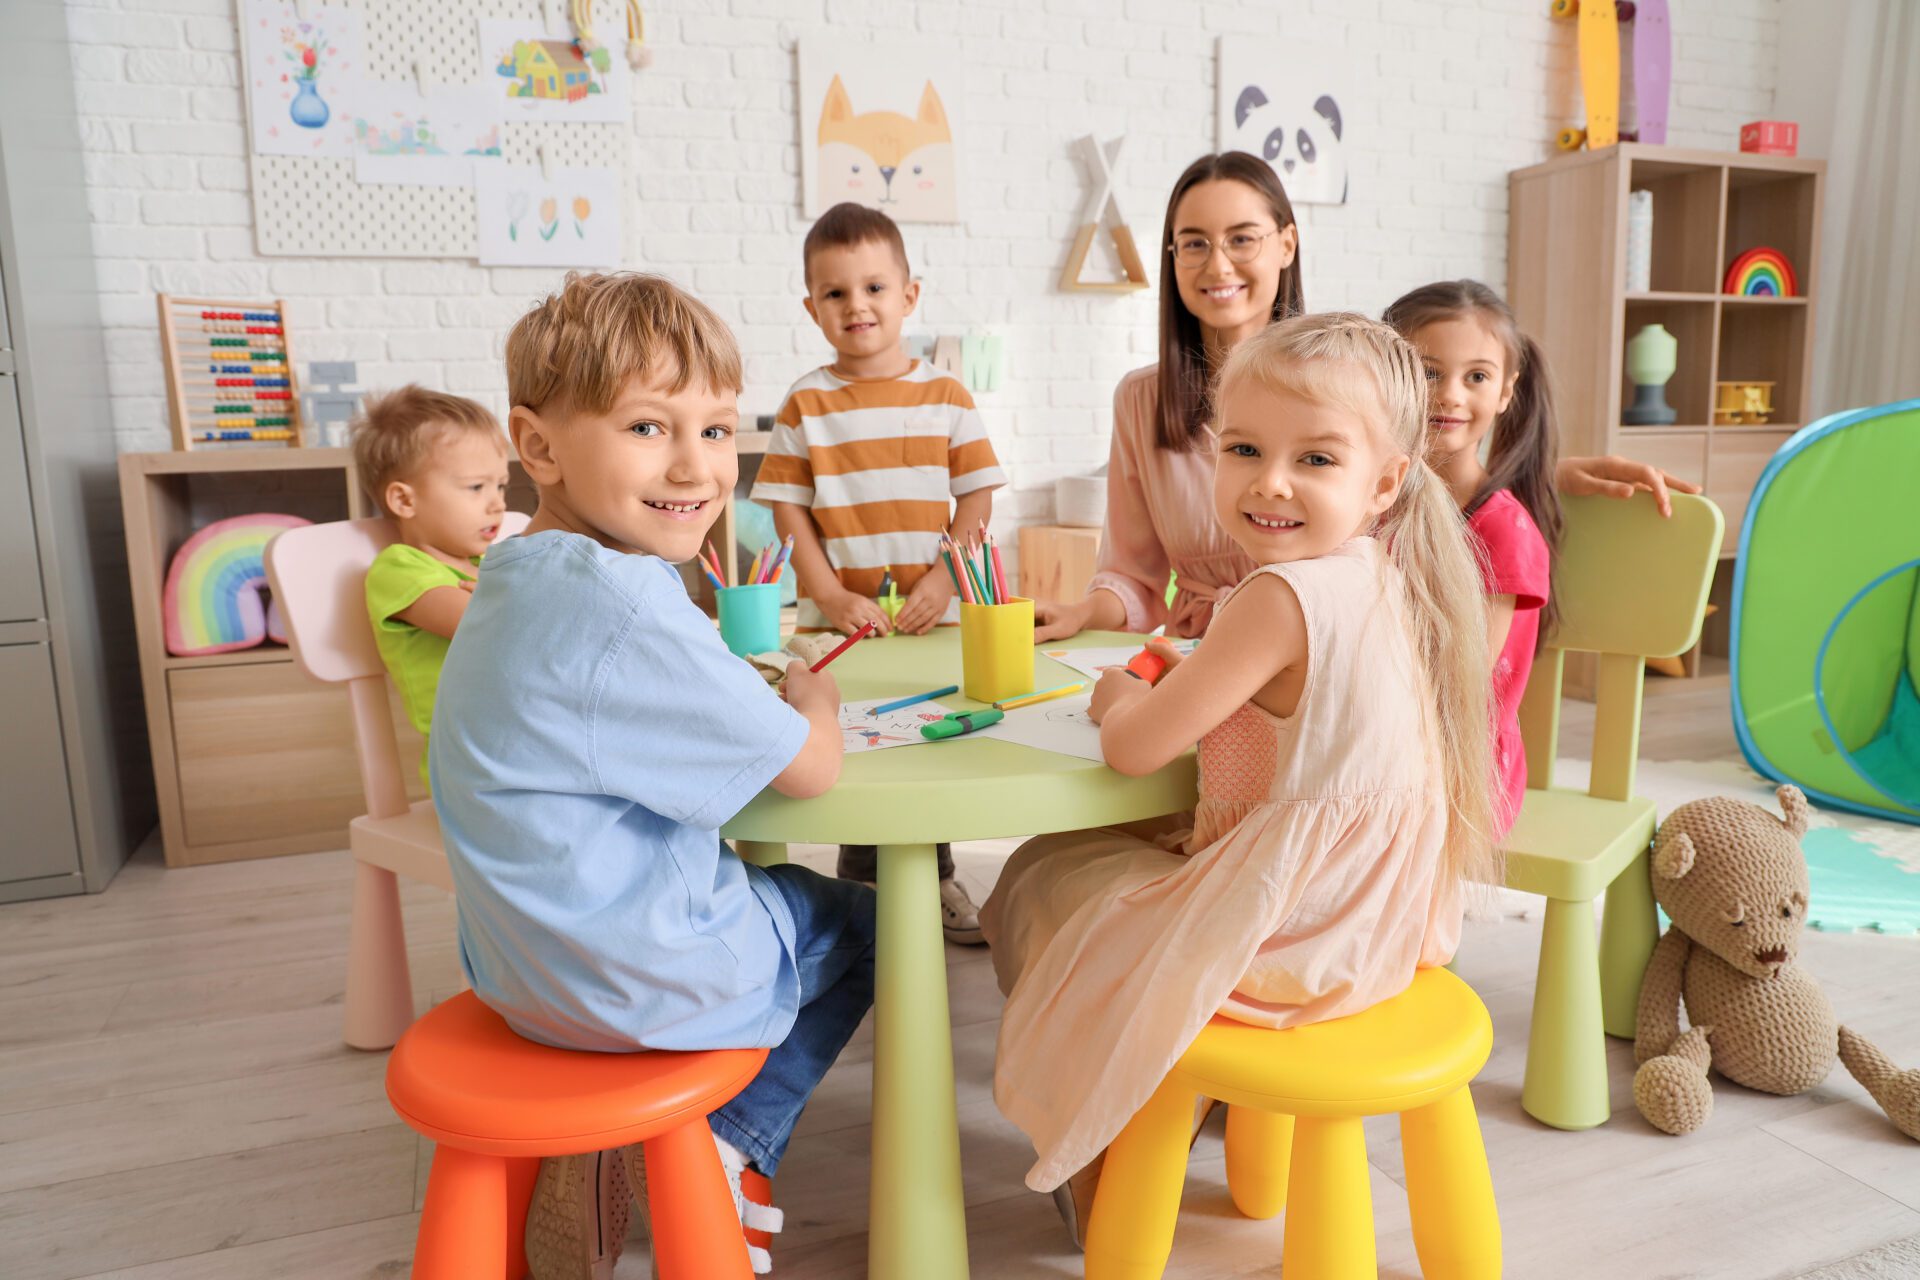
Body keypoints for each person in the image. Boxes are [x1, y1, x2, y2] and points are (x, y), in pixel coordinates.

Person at [983, 314, 1495, 1240]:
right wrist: (1200, 681)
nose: (1270, 483)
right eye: (1246, 448)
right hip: (1379, 924)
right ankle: (1143, 1124)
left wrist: (1114, 699)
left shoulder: (1274, 596)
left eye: (1316, 460)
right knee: (1102, 864)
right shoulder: (1384, 573)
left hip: (1299, 937)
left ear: (1385, 482)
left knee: (1048, 876)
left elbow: (1134, 750)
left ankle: (1103, 1146)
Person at [431, 272, 871, 1277]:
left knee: (768, 890)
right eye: (646, 426)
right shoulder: (627, 598)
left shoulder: (512, 573)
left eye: (718, 430)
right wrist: (818, 701)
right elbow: (806, 771)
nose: (696, 465)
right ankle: (731, 1142)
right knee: (867, 921)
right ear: (537, 445)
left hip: (520, 973)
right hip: (632, 978)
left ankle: (610, 1152)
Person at [1032, 151, 1704, 645]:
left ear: (1286, 244)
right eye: (1194, 244)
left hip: (1320, 652)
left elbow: (1410, 470)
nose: (1218, 265)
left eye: (1242, 239)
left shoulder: (1346, 376)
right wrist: (1079, 612)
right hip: (1197, 657)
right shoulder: (1141, 401)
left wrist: (1548, 472)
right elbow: (1133, 575)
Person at [751, 201, 1007, 944]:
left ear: (909, 296)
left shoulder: (948, 396)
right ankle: (859, 888)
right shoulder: (805, 402)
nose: (855, 306)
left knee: (929, 742)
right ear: (812, 308)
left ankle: (936, 876)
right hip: (847, 620)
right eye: (835, 294)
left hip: (935, 612)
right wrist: (828, 592)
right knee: (861, 743)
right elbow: (788, 513)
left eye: (873, 288)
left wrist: (945, 580)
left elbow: (978, 494)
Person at [1387, 279, 1560, 835]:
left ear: (1507, 391)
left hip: (1460, 768)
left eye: (1476, 377)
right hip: (1386, 734)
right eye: (1429, 372)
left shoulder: (1501, 529)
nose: (1450, 395)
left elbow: (1459, 686)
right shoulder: (1375, 502)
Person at [350, 385, 511, 789]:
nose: (497, 504)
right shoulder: (399, 570)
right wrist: (513, 601)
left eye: (501, 485)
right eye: (477, 487)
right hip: (473, 770)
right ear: (405, 501)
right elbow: (488, 625)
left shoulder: (487, 566)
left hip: (524, 750)